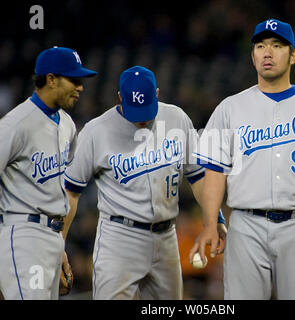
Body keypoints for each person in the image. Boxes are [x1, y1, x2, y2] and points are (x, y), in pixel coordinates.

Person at [189, 19, 295, 300]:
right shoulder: (229, 108)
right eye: (260, 46)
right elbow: (215, 172)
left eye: (277, 45)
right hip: (246, 225)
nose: (267, 52)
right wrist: (210, 223)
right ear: (253, 55)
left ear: (293, 56)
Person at [63, 65, 227, 300]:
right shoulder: (96, 131)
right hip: (119, 238)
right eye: (134, 111)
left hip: (166, 236)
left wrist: (215, 217)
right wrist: (60, 244)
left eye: (146, 110)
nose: (140, 120)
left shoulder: (177, 119)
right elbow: (71, 191)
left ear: (157, 94)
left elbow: (198, 175)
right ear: (119, 98)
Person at [0, 46, 97, 299]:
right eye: (73, 79)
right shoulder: (15, 125)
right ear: (51, 79)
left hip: (52, 235)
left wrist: (59, 245)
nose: (80, 87)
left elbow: (63, 192)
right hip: (22, 234)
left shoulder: (67, 125)